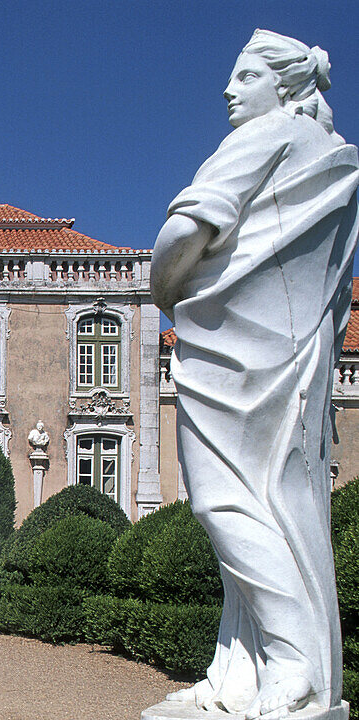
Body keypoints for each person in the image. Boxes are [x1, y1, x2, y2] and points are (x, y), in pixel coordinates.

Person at [152, 30, 358, 718]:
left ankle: (294, 663)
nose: (229, 91)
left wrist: (165, 288)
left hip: (231, 356)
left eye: (245, 77)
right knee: (280, 502)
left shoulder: (269, 133)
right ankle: (239, 674)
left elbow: (186, 230)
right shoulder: (334, 157)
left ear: (285, 87)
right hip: (288, 354)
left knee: (223, 502)